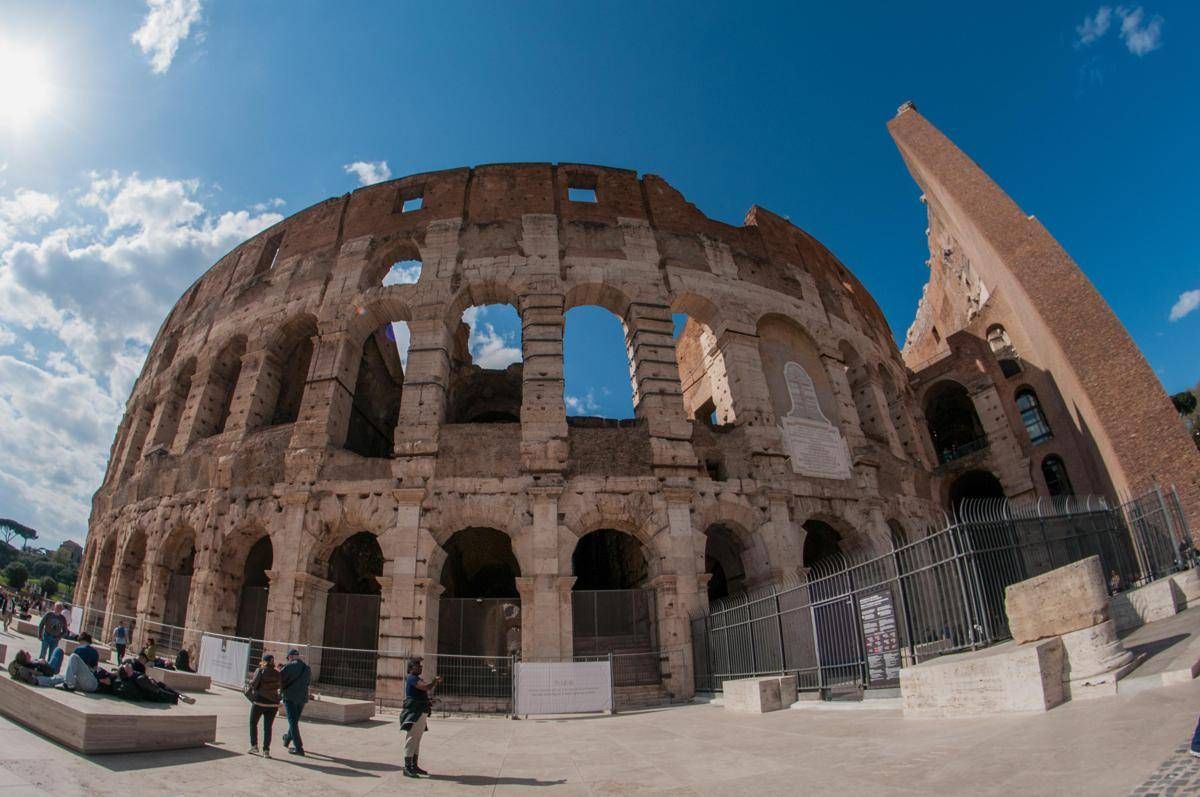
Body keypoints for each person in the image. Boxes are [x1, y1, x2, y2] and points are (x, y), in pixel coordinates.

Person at [400, 656, 441, 778]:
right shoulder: (412, 678)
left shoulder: (417, 678)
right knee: (412, 739)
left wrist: (429, 701)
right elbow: (425, 687)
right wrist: (434, 681)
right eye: (417, 666)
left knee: (417, 740)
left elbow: (420, 694)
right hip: (414, 713)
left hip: (421, 712)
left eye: (420, 666)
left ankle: (414, 765)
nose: (420, 667)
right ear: (411, 668)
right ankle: (407, 767)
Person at [246, 653, 282, 757]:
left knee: (253, 723)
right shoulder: (278, 673)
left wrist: (250, 683)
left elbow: (254, 684)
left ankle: (254, 746)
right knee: (268, 727)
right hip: (273, 704)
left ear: (264, 661)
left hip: (260, 702)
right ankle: (266, 750)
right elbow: (280, 687)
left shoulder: (260, 670)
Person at [278, 648, 311, 756]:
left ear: (290, 657)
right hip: (302, 698)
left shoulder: (288, 666)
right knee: (294, 721)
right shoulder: (307, 668)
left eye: (288, 658)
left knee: (292, 723)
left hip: (290, 697)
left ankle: (299, 748)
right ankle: (287, 739)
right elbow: (308, 682)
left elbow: (280, 680)